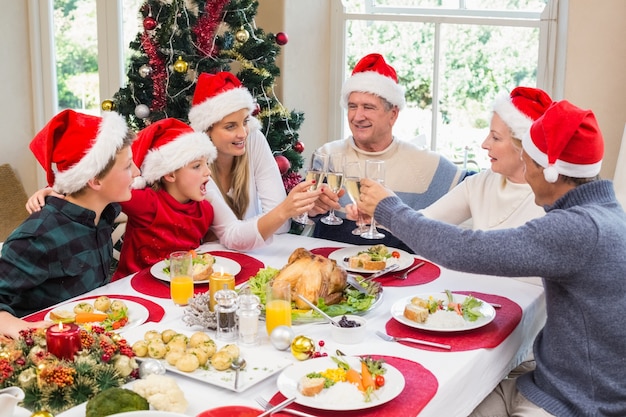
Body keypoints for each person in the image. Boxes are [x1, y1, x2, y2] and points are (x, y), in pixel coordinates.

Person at [359, 100, 626, 416]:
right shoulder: (605, 215)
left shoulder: (578, 229)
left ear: (551, 172)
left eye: (528, 164)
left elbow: (464, 249)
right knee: (445, 403)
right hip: (540, 384)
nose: (526, 175)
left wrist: (390, 209)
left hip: (575, 405)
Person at [0, 109, 139, 338]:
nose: (137, 172)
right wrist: (26, 330)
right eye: (128, 166)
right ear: (95, 180)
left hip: (96, 337)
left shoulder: (104, 213)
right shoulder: (39, 236)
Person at [309, 53, 465, 249]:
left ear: (393, 115)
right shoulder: (328, 156)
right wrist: (312, 209)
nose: (357, 116)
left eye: (368, 107)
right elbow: (310, 218)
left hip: (402, 272)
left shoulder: (425, 163)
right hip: (333, 268)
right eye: (352, 106)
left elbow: (476, 191)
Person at [188, 71, 320, 250]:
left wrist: (250, 229)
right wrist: (281, 212)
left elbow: (281, 227)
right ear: (206, 130)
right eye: (230, 126)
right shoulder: (195, 163)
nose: (243, 133)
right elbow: (233, 237)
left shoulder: (253, 139)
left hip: (254, 257)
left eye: (245, 121)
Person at [420, 87, 551, 231]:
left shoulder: (549, 203)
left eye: (496, 137)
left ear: (524, 147)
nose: (484, 144)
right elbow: (422, 223)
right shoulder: (482, 182)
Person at [111, 117, 218, 279]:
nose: (207, 172)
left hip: (177, 291)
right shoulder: (147, 203)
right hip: (131, 289)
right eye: (197, 166)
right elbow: (111, 186)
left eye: (207, 164)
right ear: (170, 174)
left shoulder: (205, 211)